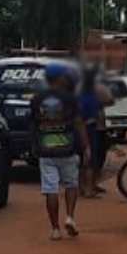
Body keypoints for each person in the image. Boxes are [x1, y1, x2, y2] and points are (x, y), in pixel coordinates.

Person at [34, 63, 89, 241]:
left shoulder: (36, 99)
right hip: (68, 149)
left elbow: (33, 124)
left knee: (50, 190)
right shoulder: (70, 99)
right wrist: (86, 146)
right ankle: (70, 217)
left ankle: (55, 229)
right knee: (71, 184)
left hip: (46, 150)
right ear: (59, 78)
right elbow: (79, 122)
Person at [78, 65, 111, 198]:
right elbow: (96, 113)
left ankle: (81, 187)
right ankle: (89, 189)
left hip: (78, 129)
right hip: (91, 128)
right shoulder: (92, 96)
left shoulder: (79, 93)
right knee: (91, 159)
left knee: (81, 159)